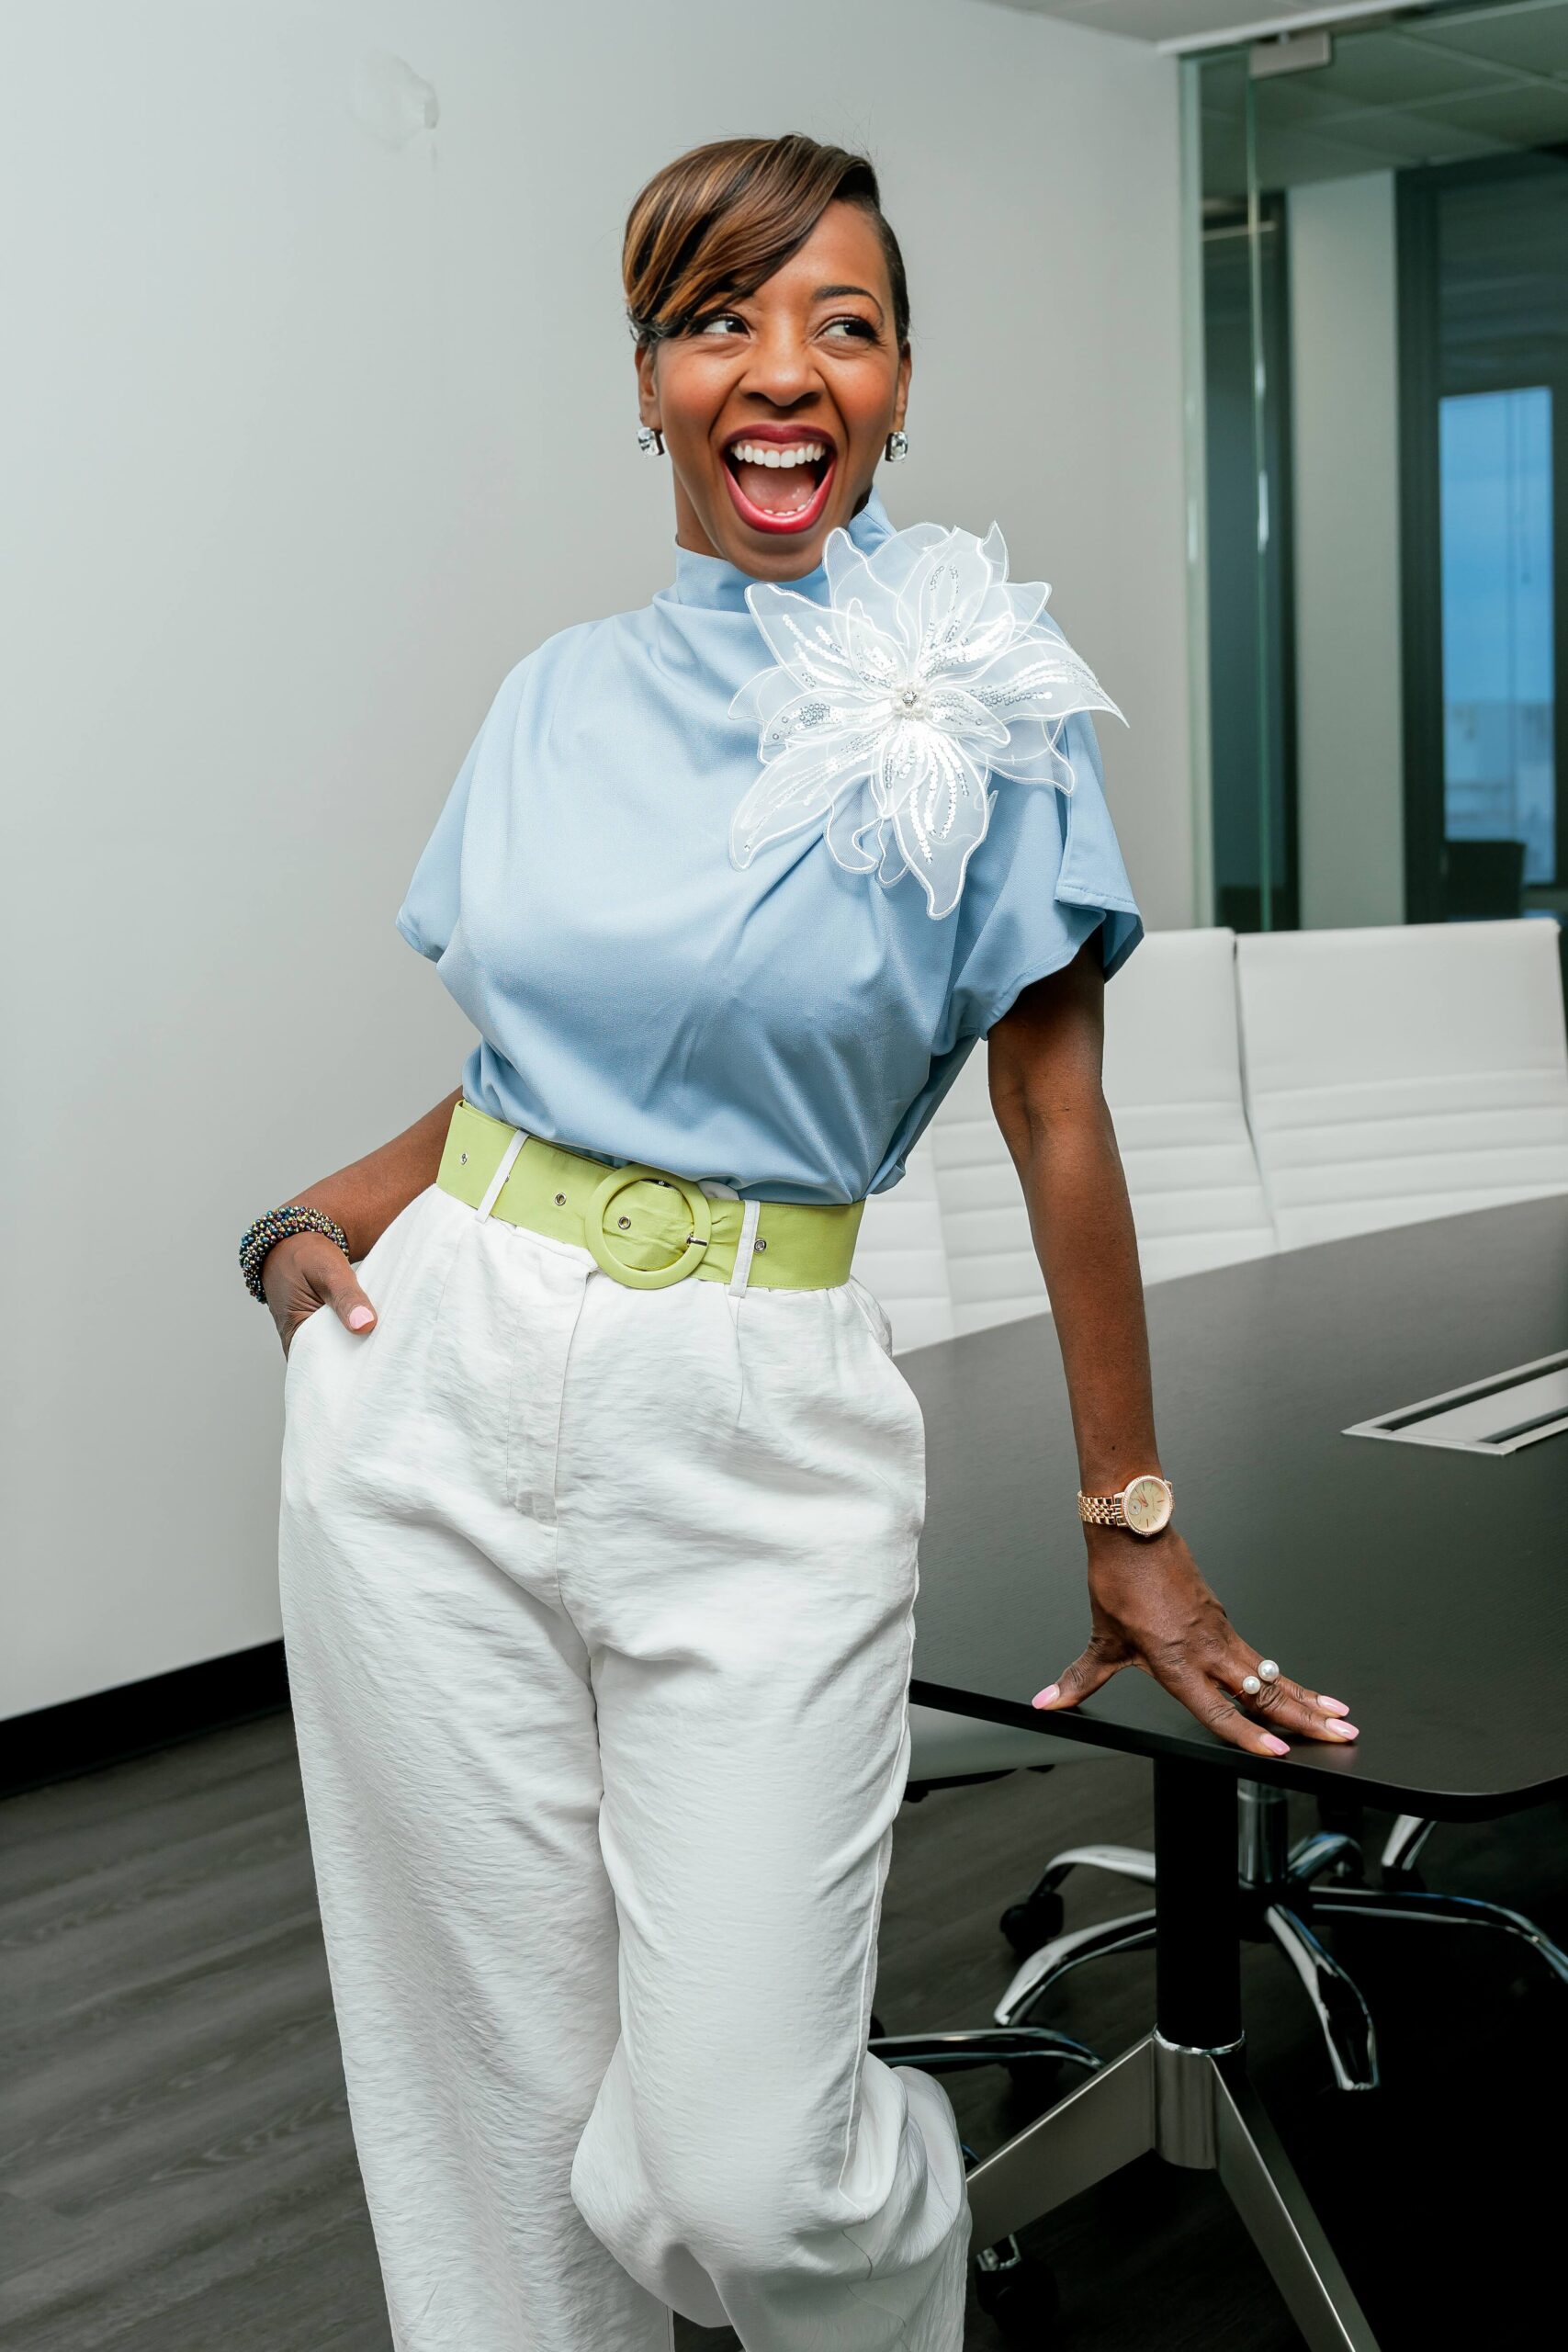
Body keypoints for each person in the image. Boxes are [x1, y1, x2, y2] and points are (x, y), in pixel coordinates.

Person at [243, 133, 1356, 2352]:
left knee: (745, 2165)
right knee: (488, 2123)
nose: (778, 374)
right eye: (716, 322)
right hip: (424, 1404)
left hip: (756, 1422)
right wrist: (315, 1217)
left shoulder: (990, 701)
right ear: (647, 379)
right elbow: (543, 1073)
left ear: (899, 379)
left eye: (836, 324)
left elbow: (1057, 1115)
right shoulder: (552, 697)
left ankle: (896, 2260)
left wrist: (1128, 1515)